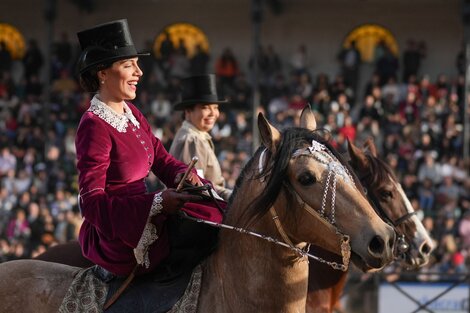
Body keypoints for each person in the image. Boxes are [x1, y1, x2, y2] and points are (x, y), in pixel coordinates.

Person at [74, 19, 220, 279]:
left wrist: (183, 176)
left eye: (137, 65)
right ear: (103, 73)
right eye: (129, 65)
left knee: (214, 213)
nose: (139, 72)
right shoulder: (93, 126)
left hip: (145, 212)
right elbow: (92, 204)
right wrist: (157, 203)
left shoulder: (132, 112)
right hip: (120, 233)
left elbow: (162, 160)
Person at [169, 74, 233, 201]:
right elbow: (196, 189)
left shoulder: (196, 135)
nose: (213, 113)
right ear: (188, 111)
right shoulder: (192, 139)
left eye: (215, 107)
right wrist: (234, 196)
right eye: (205, 107)